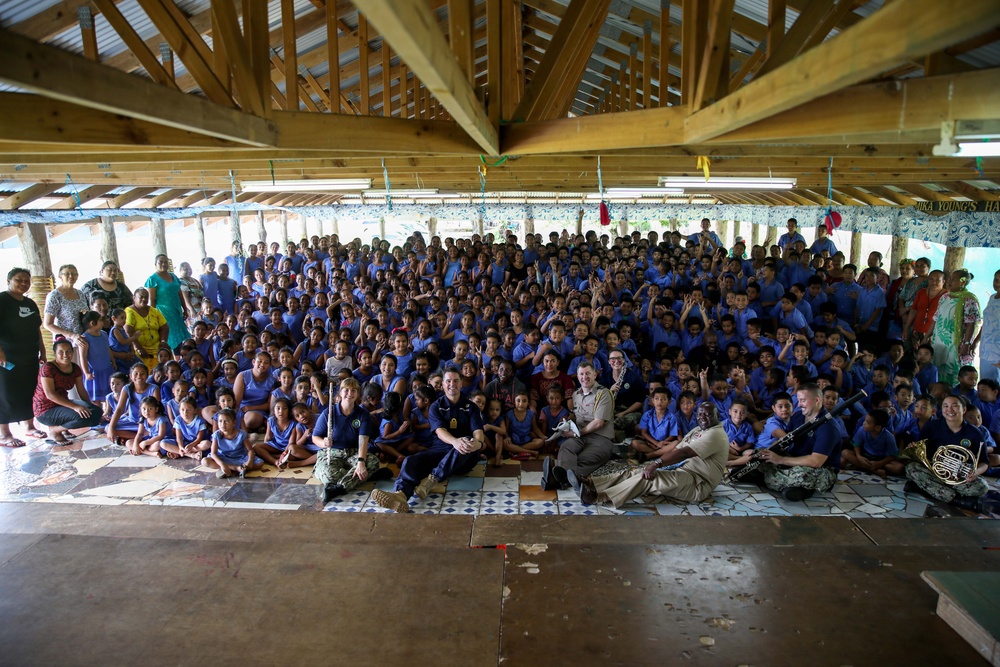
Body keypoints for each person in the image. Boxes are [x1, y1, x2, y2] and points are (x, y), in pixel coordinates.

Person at [371, 369, 486, 513]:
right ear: (443, 385)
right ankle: (400, 495)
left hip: (464, 455)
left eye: (456, 380)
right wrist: (455, 441)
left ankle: (432, 479)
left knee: (467, 441)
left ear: (461, 383)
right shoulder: (436, 406)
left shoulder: (471, 407)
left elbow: (478, 431)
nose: (452, 384)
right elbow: (439, 430)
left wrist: (478, 443)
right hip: (440, 449)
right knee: (411, 461)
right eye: (448, 381)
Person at [574, 403, 728, 508]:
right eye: (700, 414)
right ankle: (591, 483)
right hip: (684, 471)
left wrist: (657, 463)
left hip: (698, 483)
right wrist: (652, 463)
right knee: (637, 471)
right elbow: (676, 450)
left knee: (649, 478)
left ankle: (598, 497)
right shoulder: (699, 430)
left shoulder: (715, 434)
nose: (702, 417)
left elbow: (684, 453)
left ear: (717, 415)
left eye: (707, 415)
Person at [756, 383, 842, 501]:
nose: (799, 404)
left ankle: (799, 489)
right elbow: (784, 441)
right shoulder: (798, 417)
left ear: (817, 400)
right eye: (798, 400)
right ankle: (778, 481)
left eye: (802, 400)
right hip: (795, 458)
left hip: (820, 469)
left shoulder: (829, 427)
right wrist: (769, 452)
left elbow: (816, 461)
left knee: (801, 475)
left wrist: (780, 460)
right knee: (760, 453)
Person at [904, 394, 989, 511]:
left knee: (982, 487)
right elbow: (920, 448)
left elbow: (984, 462)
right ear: (941, 409)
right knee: (911, 468)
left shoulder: (974, 433)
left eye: (954, 406)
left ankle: (925, 489)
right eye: (945, 406)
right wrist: (914, 448)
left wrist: (976, 471)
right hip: (934, 471)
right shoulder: (932, 426)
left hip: (959, 476)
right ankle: (957, 500)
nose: (949, 410)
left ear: (963, 410)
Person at [541, 361, 615, 492]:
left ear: (595, 375)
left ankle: (555, 479)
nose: (584, 377)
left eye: (588, 373)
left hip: (601, 438)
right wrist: (566, 424)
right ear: (578, 376)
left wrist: (577, 434)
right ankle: (565, 479)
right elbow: (575, 415)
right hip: (581, 436)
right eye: (581, 374)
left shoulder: (603, 394)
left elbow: (599, 422)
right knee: (566, 447)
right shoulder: (576, 395)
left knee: (583, 459)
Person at [311, 378, 382, 501]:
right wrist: (323, 442)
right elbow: (315, 437)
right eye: (346, 390)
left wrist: (360, 462)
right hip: (332, 453)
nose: (350, 393)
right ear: (340, 392)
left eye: (353, 390)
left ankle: (338, 488)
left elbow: (363, 440)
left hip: (354, 452)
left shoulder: (363, 414)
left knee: (372, 462)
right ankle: (364, 476)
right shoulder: (329, 413)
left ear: (358, 394)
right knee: (327, 473)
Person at [0, 267, 47, 447]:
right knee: (6, 393)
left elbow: (37, 330)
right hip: (7, 359)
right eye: (19, 280)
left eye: (26, 281)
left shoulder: (30, 304)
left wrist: (42, 351)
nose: (23, 284)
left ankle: (29, 426)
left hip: (29, 357)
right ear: (8, 281)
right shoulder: (2, 300)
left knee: (29, 390)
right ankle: (4, 434)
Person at [31, 336, 102, 443]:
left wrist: (90, 406)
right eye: (61, 352)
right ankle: (56, 431)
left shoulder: (75, 368)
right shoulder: (48, 368)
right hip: (45, 409)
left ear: (73, 352)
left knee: (96, 412)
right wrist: (76, 407)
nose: (65, 355)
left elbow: (81, 390)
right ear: (55, 353)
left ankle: (63, 428)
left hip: (63, 404)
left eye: (68, 351)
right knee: (82, 416)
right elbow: (50, 395)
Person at [931, 269, 981, 387]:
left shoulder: (969, 300)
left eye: (953, 279)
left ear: (962, 282)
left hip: (957, 343)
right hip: (940, 340)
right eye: (950, 278)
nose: (949, 281)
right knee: (939, 367)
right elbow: (936, 318)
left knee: (955, 371)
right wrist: (928, 336)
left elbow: (971, 324)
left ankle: (956, 398)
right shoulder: (945, 297)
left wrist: (967, 343)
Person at [144, 253, 190, 350]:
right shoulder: (152, 279)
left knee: (184, 337)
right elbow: (151, 299)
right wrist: (152, 317)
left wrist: (185, 309)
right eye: (161, 262)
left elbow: (180, 294)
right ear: (155, 264)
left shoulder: (173, 276)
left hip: (177, 311)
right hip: (164, 312)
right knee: (170, 336)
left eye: (166, 262)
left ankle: (185, 356)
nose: (163, 264)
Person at [124, 287, 168, 371]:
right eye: (141, 297)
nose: (144, 299)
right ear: (134, 298)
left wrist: (163, 341)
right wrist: (138, 348)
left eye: (146, 297)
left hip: (157, 348)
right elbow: (128, 331)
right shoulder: (129, 311)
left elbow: (164, 327)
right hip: (140, 350)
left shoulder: (154, 311)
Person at [43, 264, 89, 343]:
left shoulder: (80, 294)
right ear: (60, 277)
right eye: (67, 274)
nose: (71, 276)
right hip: (65, 342)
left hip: (83, 340)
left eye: (74, 274)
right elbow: (48, 324)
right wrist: (71, 335)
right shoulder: (55, 295)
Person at [979, 268, 1000, 382]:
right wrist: (975, 343)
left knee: (995, 387)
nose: (998, 284)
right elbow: (986, 323)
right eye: (996, 280)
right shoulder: (992, 298)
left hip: (998, 352)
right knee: (985, 384)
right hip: (986, 349)